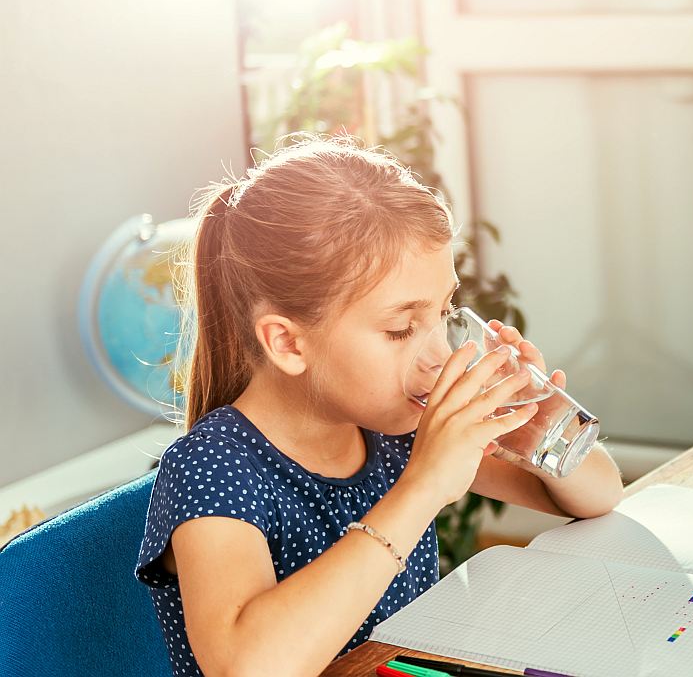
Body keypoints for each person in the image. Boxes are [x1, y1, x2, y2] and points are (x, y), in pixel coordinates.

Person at [135, 136, 623, 676]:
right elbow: (248, 667)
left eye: (444, 312)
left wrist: (536, 427)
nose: (440, 354)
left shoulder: (394, 425)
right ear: (289, 343)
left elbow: (599, 496)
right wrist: (422, 488)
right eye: (400, 329)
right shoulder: (212, 466)